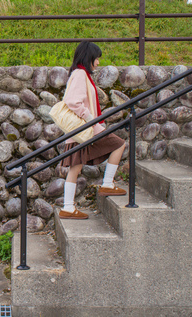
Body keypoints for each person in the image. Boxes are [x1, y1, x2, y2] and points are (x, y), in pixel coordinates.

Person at [58, 41, 127, 220]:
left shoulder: (78, 73)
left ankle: (67, 207)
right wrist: (92, 120)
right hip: (85, 127)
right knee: (118, 144)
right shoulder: (80, 74)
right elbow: (73, 102)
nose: (98, 63)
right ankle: (107, 183)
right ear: (89, 57)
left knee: (75, 167)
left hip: (79, 130)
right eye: (96, 59)